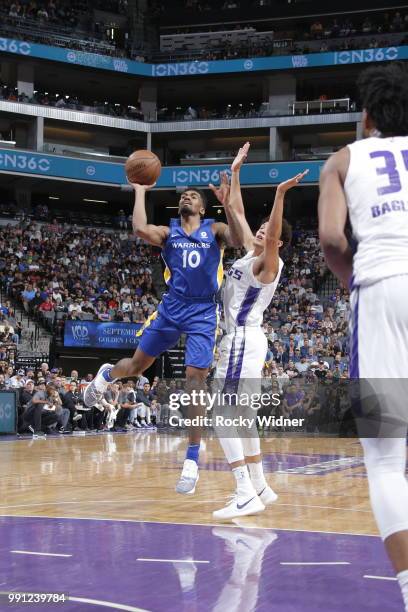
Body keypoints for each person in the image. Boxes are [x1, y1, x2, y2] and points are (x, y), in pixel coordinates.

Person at [83, 176, 243, 493]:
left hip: (202, 312)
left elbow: (238, 238)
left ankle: (192, 461)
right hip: (171, 307)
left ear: (202, 207)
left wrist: (228, 204)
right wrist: (141, 192)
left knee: (195, 380)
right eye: (184, 194)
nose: (187, 196)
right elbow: (141, 229)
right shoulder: (168, 232)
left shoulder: (214, 230)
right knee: (137, 367)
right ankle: (107, 373)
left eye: (194, 195)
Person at [318, 62, 408, 611]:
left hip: (380, 291)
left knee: (385, 458)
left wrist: (353, 281)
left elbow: (331, 237)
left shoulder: (343, 159)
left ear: (367, 115)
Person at [212, 142, 308, 519]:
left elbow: (269, 235)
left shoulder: (269, 265)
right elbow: (236, 210)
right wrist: (236, 172)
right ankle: (261, 485)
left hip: (241, 340)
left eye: (268, 232)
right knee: (242, 417)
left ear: (277, 243)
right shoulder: (250, 255)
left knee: (222, 414)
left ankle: (243, 491)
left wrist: (280, 194)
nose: (262, 232)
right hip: (244, 341)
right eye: (262, 228)